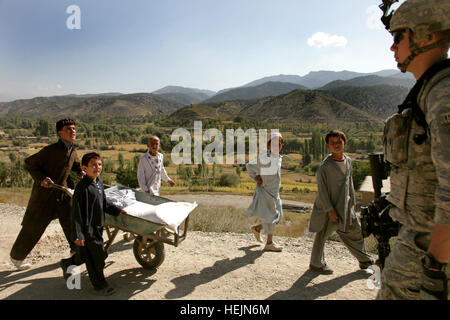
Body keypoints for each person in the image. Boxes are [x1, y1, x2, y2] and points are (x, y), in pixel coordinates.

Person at [377, 0, 450, 300]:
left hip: (428, 253)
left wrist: (434, 268)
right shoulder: (431, 91)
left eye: (398, 37)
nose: (393, 48)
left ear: (426, 36)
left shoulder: (442, 94)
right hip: (422, 245)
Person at [10, 118, 84, 270]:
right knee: (34, 226)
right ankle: (16, 257)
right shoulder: (50, 151)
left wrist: (80, 171)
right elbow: (29, 163)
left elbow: (74, 163)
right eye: (69, 129)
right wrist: (41, 179)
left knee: (71, 221)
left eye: (74, 129)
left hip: (63, 193)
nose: (73, 131)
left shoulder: (72, 148)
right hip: (45, 196)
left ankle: (75, 250)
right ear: (60, 133)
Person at [308, 130, 373, 274]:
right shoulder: (326, 166)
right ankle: (316, 264)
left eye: (339, 142)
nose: (336, 145)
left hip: (345, 206)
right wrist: (330, 210)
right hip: (329, 208)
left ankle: (365, 261)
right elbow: (322, 191)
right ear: (327, 145)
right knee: (322, 235)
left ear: (345, 143)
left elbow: (349, 184)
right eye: (333, 143)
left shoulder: (348, 161)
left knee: (355, 232)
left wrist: (352, 203)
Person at [60, 152, 125, 296]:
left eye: (99, 164)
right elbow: (76, 214)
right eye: (93, 165)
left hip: (97, 226)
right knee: (97, 257)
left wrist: (118, 211)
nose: (97, 167)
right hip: (86, 229)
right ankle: (100, 285)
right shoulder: (82, 188)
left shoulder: (99, 183)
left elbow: (104, 203)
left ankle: (67, 264)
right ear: (84, 168)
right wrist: (78, 234)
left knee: (86, 255)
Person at [246, 132, 284, 252]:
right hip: (266, 192)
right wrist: (256, 177)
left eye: (279, 144)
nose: (276, 146)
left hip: (274, 193)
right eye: (273, 144)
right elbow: (249, 166)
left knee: (279, 215)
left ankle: (257, 228)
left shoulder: (279, 158)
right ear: (268, 146)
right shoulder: (264, 158)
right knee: (271, 217)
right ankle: (269, 243)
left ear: (282, 145)